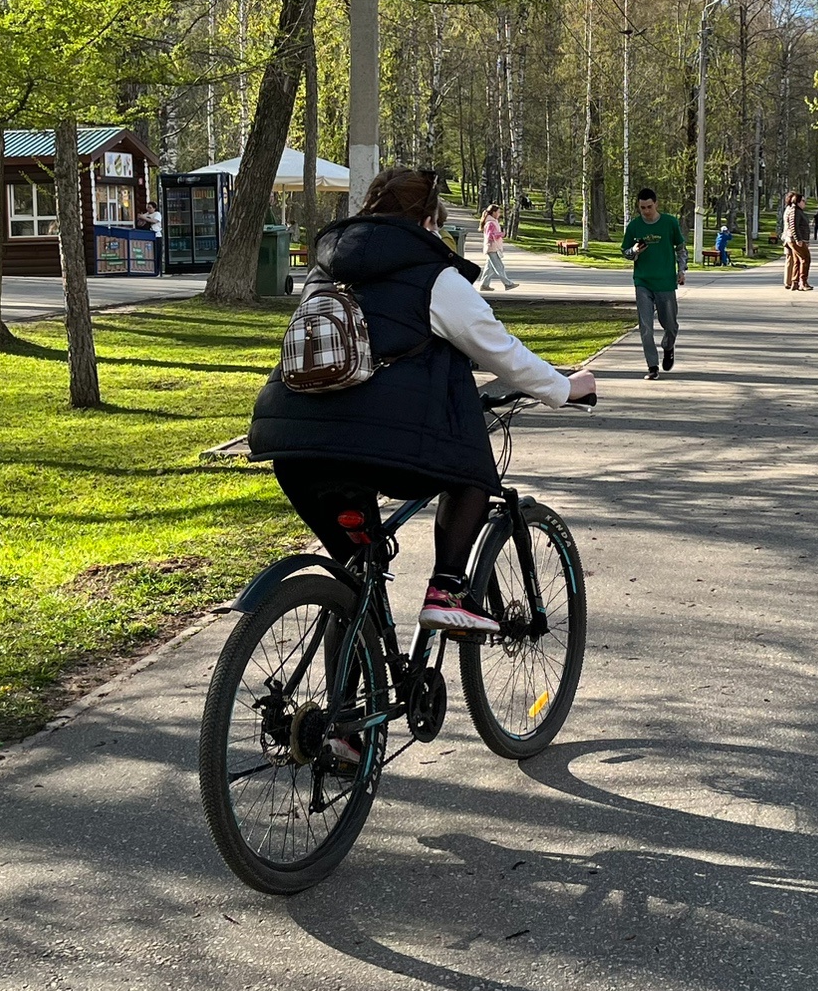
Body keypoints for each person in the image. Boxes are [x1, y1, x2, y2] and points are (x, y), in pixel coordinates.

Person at [249, 168, 595, 665]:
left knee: (352, 575)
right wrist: (565, 387)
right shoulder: (436, 277)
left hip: (291, 443)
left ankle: (344, 733)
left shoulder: (325, 267)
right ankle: (449, 590)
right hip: (378, 449)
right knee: (471, 470)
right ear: (430, 219)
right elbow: (502, 352)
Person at [621, 186, 686, 380]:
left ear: (656, 204)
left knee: (670, 324)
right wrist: (634, 251)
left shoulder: (669, 223)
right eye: (642, 208)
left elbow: (681, 249)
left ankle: (668, 347)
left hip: (665, 282)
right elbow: (625, 252)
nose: (646, 211)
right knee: (646, 327)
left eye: (649, 207)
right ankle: (652, 366)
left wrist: (681, 270)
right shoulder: (634, 226)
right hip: (643, 282)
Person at [478, 203, 516, 291]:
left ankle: (484, 285)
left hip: (492, 247)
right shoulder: (491, 223)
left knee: (489, 268)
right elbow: (490, 235)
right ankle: (508, 284)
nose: (499, 214)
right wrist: (501, 234)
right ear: (493, 212)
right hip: (492, 247)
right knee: (499, 267)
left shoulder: (492, 222)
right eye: (498, 212)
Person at [780, 188, 813, 291]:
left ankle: (795, 282)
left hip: (795, 239)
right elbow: (794, 226)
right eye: (803, 201)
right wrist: (798, 239)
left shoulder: (798, 211)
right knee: (805, 259)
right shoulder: (794, 211)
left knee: (797, 261)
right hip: (795, 240)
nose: (805, 203)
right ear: (798, 202)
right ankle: (803, 282)